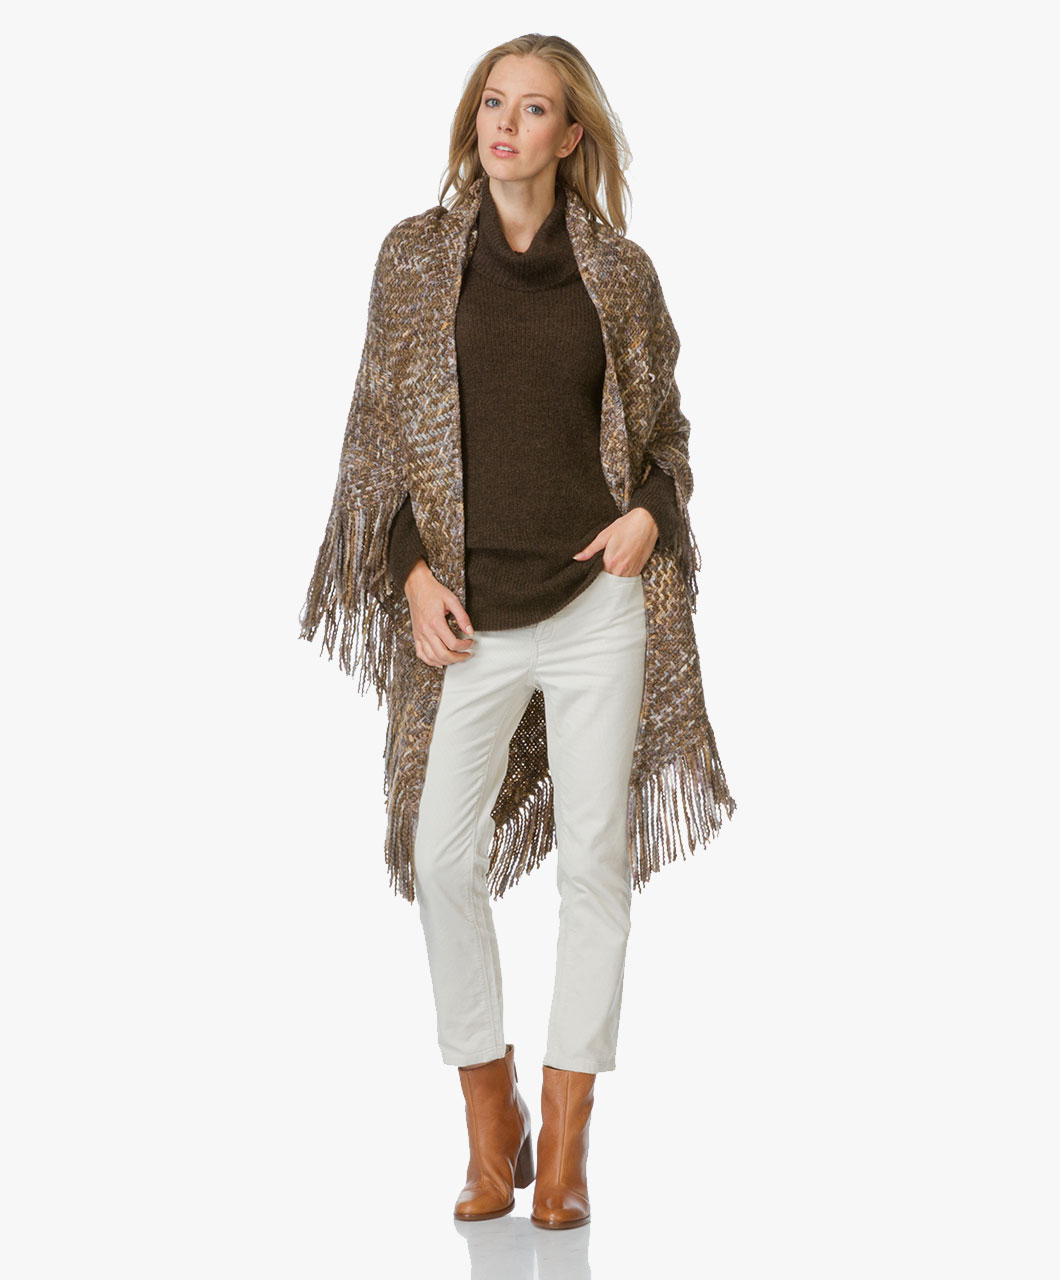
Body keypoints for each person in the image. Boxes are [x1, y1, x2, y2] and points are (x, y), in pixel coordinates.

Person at [298, 33, 737, 1230]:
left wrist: (650, 515)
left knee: (594, 862)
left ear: (569, 136)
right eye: (493, 102)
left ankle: (567, 1139)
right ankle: (490, 1117)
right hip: (468, 620)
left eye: (533, 109)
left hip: (598, 605)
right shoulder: (413, 260)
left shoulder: (620, 275)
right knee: (441, 854)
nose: (505, 124)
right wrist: (407, 576)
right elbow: (378, 448)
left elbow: (667, 437)